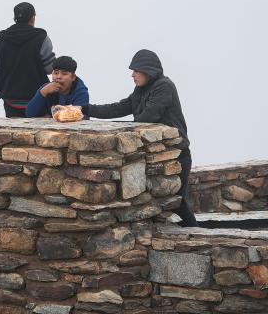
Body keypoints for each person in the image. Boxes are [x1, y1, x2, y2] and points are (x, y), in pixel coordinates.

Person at [83, 49, 197, 226]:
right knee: (156, 201)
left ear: (148, 70)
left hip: (177, 154)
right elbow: (119, 107)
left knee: (177, 202)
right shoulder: (140, 90)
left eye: (136, 71)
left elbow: (148, 117)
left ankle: (196, 234)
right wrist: (85, 109)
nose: (132, 75)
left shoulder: (164, 86)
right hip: (154, 155)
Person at [0, 2, 56, 117]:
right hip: (38, 99)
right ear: (33, 17)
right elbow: (50, 68)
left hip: (11, 102)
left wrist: (1, 93)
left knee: (12, 134)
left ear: (15, 18)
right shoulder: (41, 37)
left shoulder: (0, 40)